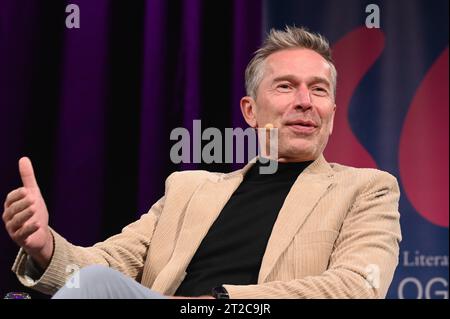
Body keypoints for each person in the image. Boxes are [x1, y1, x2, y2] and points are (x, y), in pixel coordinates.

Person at [2, 26, 401, 299]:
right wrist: (45, 246)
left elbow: (357, 285)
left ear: (332, 109)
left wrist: (219, 301)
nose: (304, 101)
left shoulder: (366, 188)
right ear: (250, 111)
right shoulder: (188, 189)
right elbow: (107, 266)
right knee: (88, 282)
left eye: (318, 89)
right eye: (285, 86)